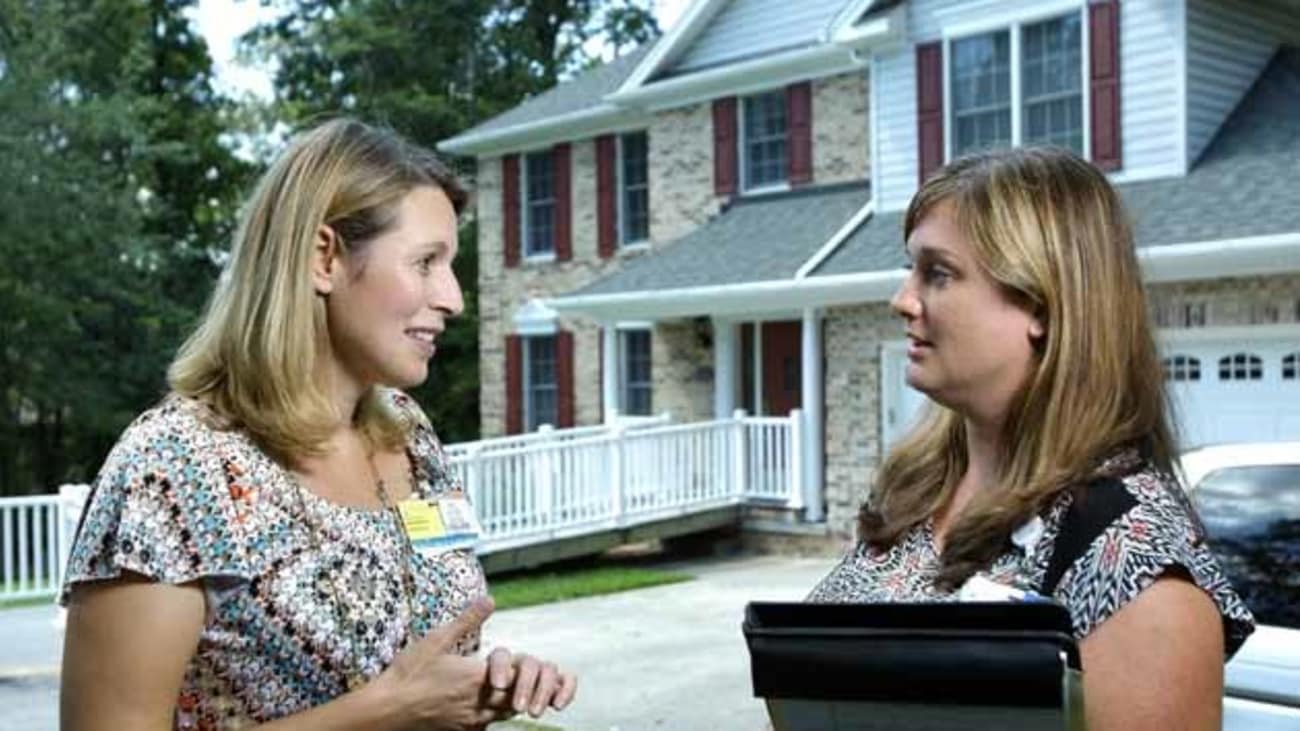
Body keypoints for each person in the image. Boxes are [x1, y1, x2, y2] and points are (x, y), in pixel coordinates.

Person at [59, 118, 576, 730]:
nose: (454, 297)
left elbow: (419, 658)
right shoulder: (173, 467)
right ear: (323, 258)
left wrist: (478, 684)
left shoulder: (409, 435)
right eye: (426, 262)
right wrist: (390, 709)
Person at [807, 147, 1253, 729]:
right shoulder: (914, 492)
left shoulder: (1131, 557)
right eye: (910, 268)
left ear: (1041, 303)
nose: (902, 300)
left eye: (938, 273)